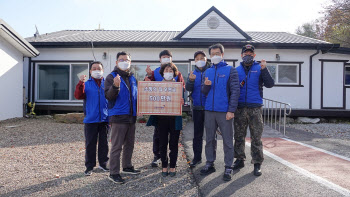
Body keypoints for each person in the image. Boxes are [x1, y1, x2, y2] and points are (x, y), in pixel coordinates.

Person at [232, 44, 274, 176]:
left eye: (250, 53)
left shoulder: (260, 68)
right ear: (241, 55)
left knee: (256, 137)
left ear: (254, 55)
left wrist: (265, 69)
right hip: (240, 108)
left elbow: (270, 84)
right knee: (239, 136)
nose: (248, 55)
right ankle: (239, 159)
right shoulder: (236, 70)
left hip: (255, 107)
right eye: (246, 53)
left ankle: (257, 163)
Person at [200, 43, 240, 181]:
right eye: (212, 54)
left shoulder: (231, 70)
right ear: (210, 56)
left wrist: (231, 110)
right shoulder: (207, 71)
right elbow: (203, 91)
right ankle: (210, 163)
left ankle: (228, 166)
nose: (215, 56)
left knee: (228, 140)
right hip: (209, 111)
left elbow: (235, 91)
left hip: (224, 111)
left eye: (217, 54)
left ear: (222, 55)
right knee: (209, 139)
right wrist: (206, 86)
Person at [144, 50, 185, 167]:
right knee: (158, 135)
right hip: (159, 110)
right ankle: (157, 156)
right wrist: (148, 76)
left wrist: (181, 99)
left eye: (168, 57)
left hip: (173, 110)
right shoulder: (154, 72)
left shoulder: (178, 73)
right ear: (160, 59)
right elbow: (147, 88)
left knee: (173, 137)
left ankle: (172, 162)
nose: (166, 59)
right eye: (164, 57)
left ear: (171, 59)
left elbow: (182, 88)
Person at [104, 51, 140, 184]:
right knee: (117, 146)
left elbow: (136, 96)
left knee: (129, 144)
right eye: (121, 59)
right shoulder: (111, 77)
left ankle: (127, 166)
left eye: (127, 60)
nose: (124, 61)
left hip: (131, 116)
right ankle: (113, 173)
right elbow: (109, 96)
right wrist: (115, 86)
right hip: (118, 116)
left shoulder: (132, 77)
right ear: (116, 62)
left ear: (130, 62)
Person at [74, 61, 109, 176]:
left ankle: (103, 164)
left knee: (104, 143)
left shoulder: (107, 83)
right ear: (90, 71)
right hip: (90, 119)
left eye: (99, 68)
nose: (96, 70)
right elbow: (78, 96)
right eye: (94, 68)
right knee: (90, 143)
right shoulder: (86, 84)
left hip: (105, 119)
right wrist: (80, 83)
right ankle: (89, 166)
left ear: (103, 71)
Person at [185, 50, 210, 168]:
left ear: (206, 59)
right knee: (197, 135)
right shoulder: (193, 73)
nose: (199, 60)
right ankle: (197, 157)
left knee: (210, 135)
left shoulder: (211, 71)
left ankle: (211, 159)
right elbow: (188, 88)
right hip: (197, 108)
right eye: (197, 58)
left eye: (202, 58)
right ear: (194, 61)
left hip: (210, 108)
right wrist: (191, 80)